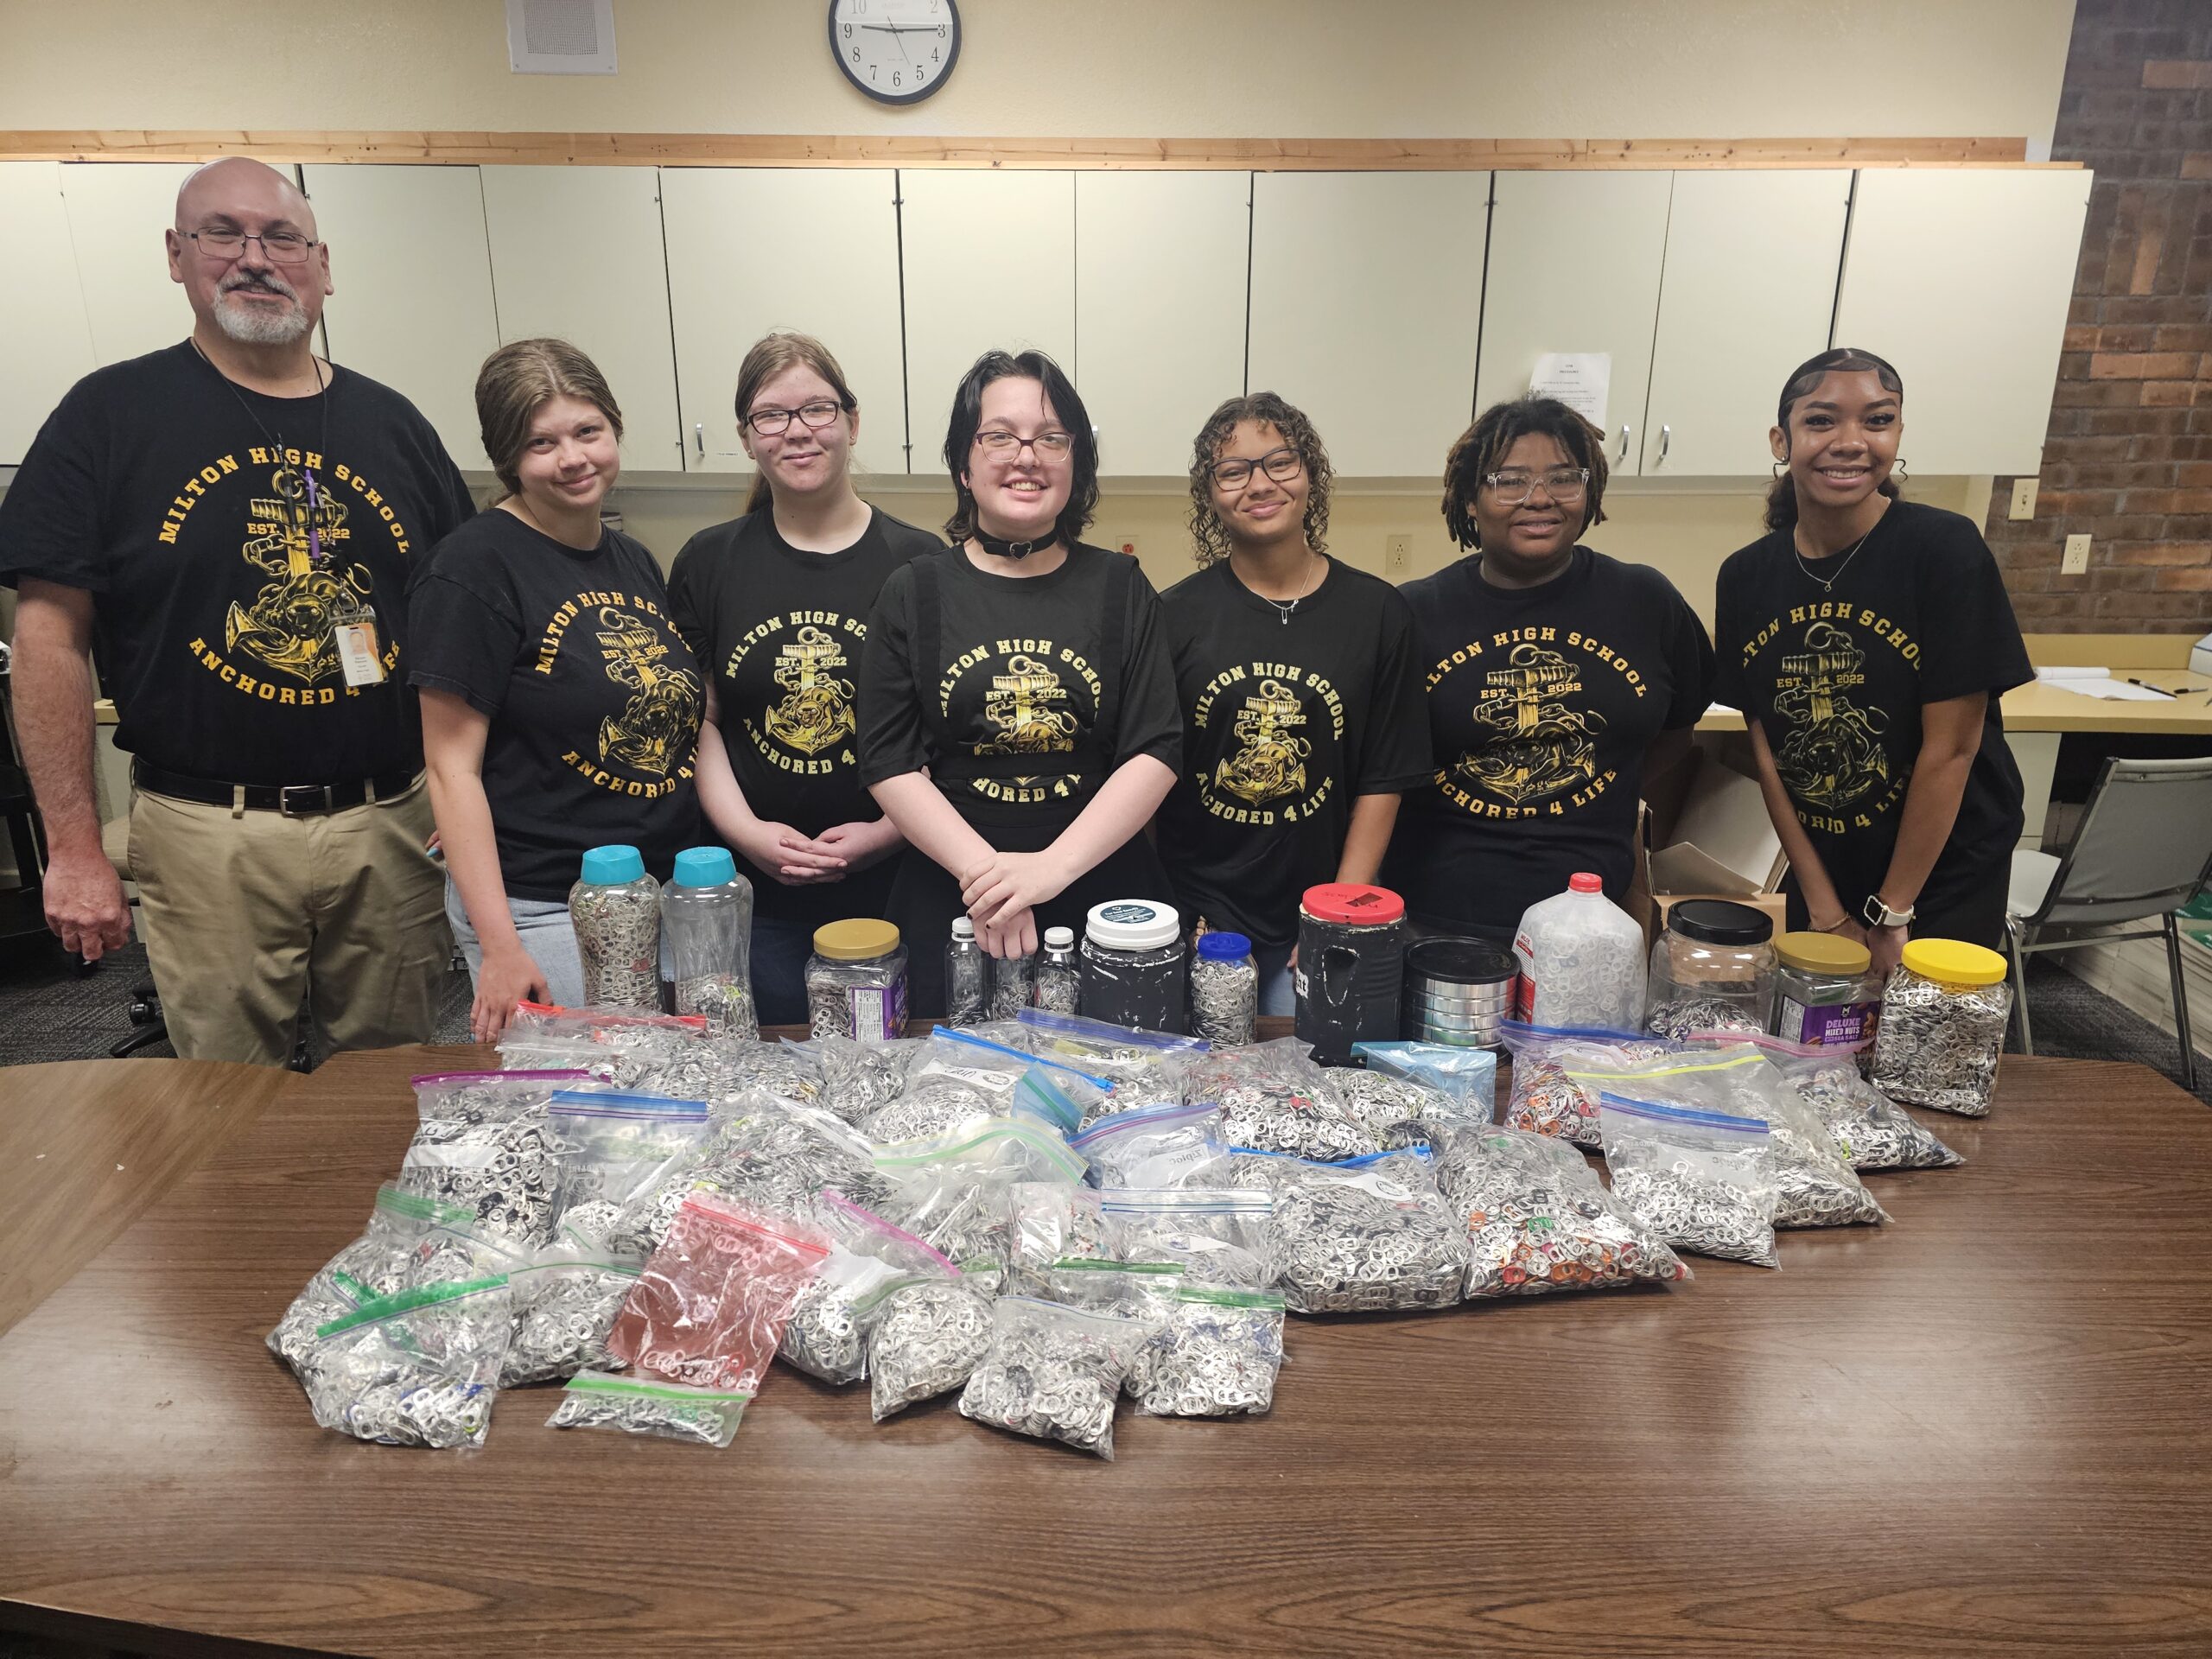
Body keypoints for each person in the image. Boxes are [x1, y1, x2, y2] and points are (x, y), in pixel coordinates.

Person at [0, 157, 473, 1066]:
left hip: (392, 824)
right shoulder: (108, 416)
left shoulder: (395, 425)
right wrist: (73, 848)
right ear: (176, 254)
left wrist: (473, 802)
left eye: (282, 238)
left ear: (322, 265)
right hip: (208, 833)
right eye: (223, 233)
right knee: (224, 1100)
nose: (255, 258)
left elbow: (459, 632)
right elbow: (48, 641)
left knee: (393, 1088)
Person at [857, 349, 1182, 1017]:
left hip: (1103, 900)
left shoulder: (1122, 587)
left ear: (1076, 462)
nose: (1026, 457)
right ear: (963, 462)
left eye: (1051, 438)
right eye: (1000, 436)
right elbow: (889, 759)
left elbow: (1156, 748)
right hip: (953, 899)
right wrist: (991, 881)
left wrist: (1049, 869)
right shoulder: (913, 591)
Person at [408, 339, 702, 1041]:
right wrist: (501, 948)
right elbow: (450, 769)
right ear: (507, 456)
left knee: (668, 1085)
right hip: (545, 904)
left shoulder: (631, 559)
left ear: (615, 429)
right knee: (591, 1090)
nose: (572, 458)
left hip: (657, 890)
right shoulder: (472, 568)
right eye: (542, 442)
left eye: (587, 431)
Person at [1713, 347, 2031, 969]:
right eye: (1821, 420)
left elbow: (1953, 749)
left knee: (1921, 1034)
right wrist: (1824, 907)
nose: (1852, 442)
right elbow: (1768, 750)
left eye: (1878, 420)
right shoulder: (1746, 577)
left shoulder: (1942, 549)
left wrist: (1893, 911)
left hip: (1942, 873)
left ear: (1898, 435)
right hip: (1827, 869)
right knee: (1818, 1031)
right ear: (1781, 440)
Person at [665, 333, 939, 1026]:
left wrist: (887, 832)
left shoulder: (920, 563)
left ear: (852, 421)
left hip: (897, 885)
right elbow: (702, 720)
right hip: (757, 901)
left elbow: (938, 731)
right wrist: (749, 833)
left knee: (894, 1062)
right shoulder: (708, 562)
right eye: (771, 415)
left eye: (817, 409)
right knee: (771, 1069)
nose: (796, 431)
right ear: (745, 437)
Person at [1382, 395, 1714, 941]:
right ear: (1470, 499)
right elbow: (1378, 773)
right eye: (1509, 481)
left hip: (1593, 920)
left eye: (1563, 478)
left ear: (1589, 489)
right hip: (1435, 920)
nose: (1539, 499)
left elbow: (1677, 733)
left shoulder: (1645, 601)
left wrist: (1601, 784)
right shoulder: (1412, 613)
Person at [1158, 391, 1431, 1014]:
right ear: (1209, 495)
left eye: (1280, 462)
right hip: (1200, 917)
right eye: (1233, 471)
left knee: (1311, 1060)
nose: (1260, 484)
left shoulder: (1378, 614)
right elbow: (1152, 774)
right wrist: (1177, 912)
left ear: (1310, 473)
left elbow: (1384, 778)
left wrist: (1335, 913)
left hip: (1320, 909)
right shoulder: (1172, 616)